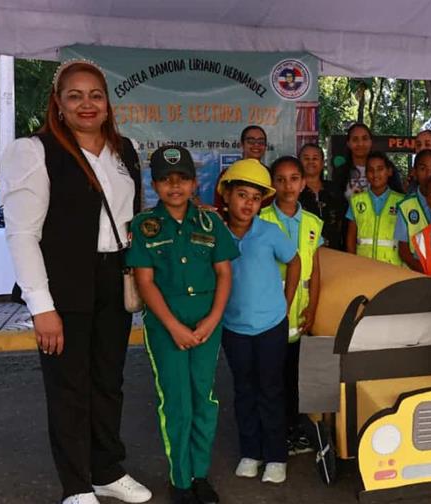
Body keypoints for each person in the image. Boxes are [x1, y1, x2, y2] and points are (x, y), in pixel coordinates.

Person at [0, 60, 152, 504]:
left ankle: (107, 469)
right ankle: (76, 485)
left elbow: (130, 220)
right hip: (64, 284)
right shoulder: (34, 151)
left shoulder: (125, 150)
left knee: (109, 380)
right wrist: (41, 305)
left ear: (107, 104)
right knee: (69, 386)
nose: (87, 104)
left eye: (95, 95)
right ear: (59, 104)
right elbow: (22, 234)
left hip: (113, 279)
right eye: (75, 95)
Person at [128, 145, 237, 504]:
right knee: (176, 401)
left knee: (204, 399)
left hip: (207, 323)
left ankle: (200, 474)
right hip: (165, 326)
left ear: (194, 183)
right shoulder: (145, 226)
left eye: (183, 179)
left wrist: (214, 318)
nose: (174, 186)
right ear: (154, 185)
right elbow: (145, 282)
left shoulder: (211, 223)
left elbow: (224, 272)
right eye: (164, 179)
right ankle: (180, 478)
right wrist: (174, 326)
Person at [218, 158, 300, 484]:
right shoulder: (216, 234)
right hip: (233, 328)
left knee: (271, 390)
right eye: (242, 195)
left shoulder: (270, 232)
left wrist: (287, 301)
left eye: (255, 197)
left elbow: (294, 262)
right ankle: (250, 452)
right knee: (244, 390)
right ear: (226, 196)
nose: (248, 203)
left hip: (271, 326)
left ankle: (276, 456)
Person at [260, 155, 324, 457]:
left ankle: (294, 431)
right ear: (273, 184)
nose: (288, 185)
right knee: (271, 377)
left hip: (300, 313)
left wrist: (312, 308)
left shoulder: (312, 223)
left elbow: (317, 269)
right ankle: (274, 432)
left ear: (303, 182)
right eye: (281, 179)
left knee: (295, 376)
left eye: (294, 178)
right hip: (270, 312)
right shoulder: (262, 220)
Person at [345, 151, 404, 265]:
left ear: (389, 171)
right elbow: (350, 238)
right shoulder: (356, 201)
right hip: (363, 265)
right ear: (366, 174)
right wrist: (352, 264)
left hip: (393, 267)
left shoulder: (401, 201)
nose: (375, 174)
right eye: (371, 170)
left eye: (380, 169)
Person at [397, 149, 431, 270]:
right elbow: (403, 252)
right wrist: (427, 271)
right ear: (414, 172)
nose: (429, 173)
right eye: (423, 169)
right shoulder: (405, 206)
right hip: (416, 273)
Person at [332, 123, 402, 199]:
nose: (360, 144)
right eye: (355, 139)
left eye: (365, 139)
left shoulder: (387, 167)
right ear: (348, 143)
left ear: (371, 142)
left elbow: (398, 196)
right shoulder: (341, 172)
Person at [298, 143, 347, 250]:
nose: (311, 162)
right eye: (306, 158)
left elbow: (341, 222)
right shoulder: (294, 191)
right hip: (304, 253)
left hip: (334, 252)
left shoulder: (334, 189)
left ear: (322, 163)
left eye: (315, 158)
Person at [212, 125, 267, 210]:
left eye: (261, 142)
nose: (256, 145)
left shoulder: (269, 174)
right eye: (251, 141)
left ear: (265, 146)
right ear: (241, 144)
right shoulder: (229, 173)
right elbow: (219, 208)